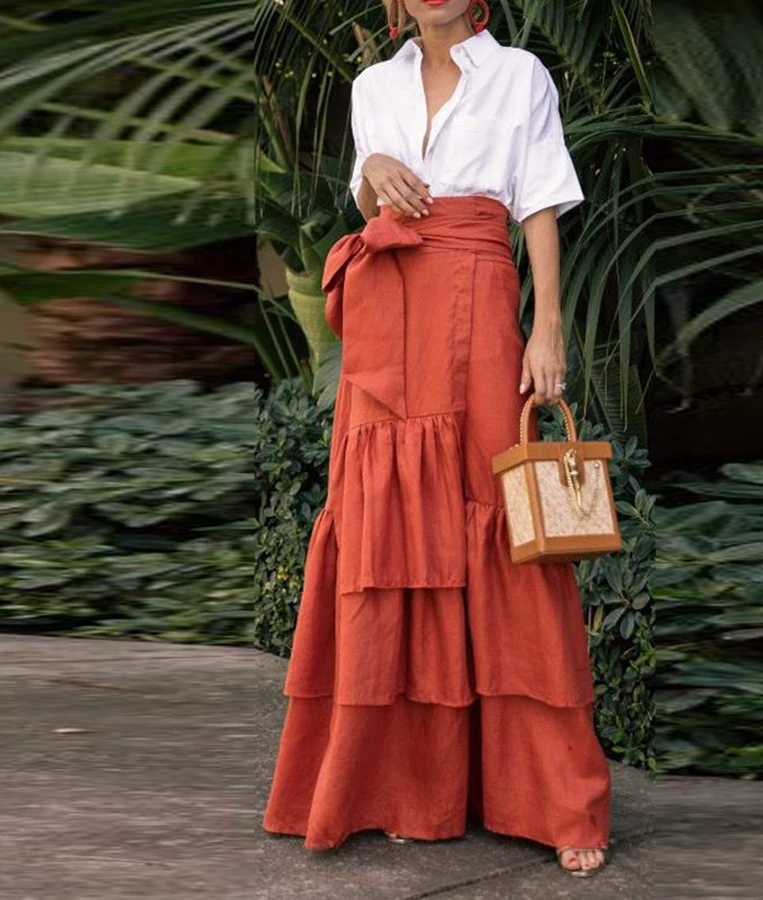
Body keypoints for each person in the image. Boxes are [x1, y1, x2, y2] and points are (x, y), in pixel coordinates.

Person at [263, 0, 611, 878]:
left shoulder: (521, 73)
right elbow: (368, 191)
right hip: (385, 311)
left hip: (477, 301)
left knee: (503, 528)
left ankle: (558, 801)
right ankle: (406, 788)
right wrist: (373, 166)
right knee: (386, 531)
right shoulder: (371, 85)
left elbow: (537, 202)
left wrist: (548, 328)